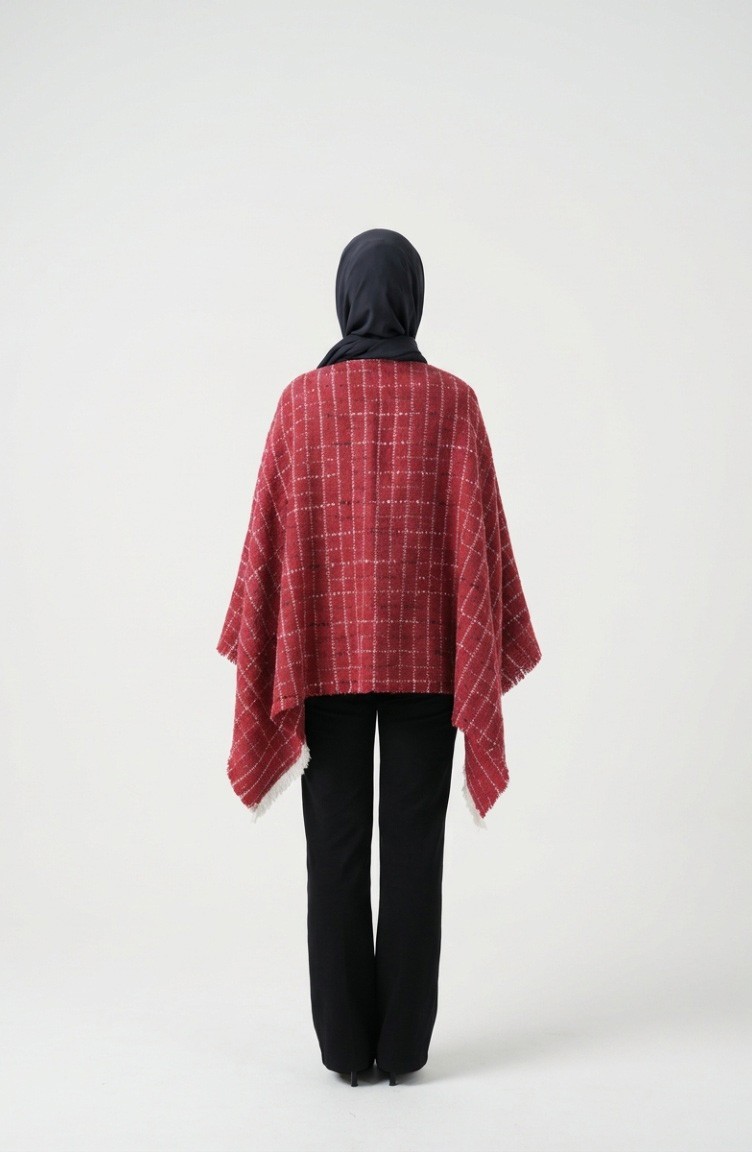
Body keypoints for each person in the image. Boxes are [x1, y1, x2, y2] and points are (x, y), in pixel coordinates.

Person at [216, 228, 542, 1087]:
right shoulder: (454, 403)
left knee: (333, 853)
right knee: (413, 852)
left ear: (346, 297)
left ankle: (342, 1050)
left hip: (323, 661)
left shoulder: (302, 403)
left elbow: (273, 548)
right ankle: (401, 1050)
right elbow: (478, 548)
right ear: (412, 297)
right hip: (427, 661)